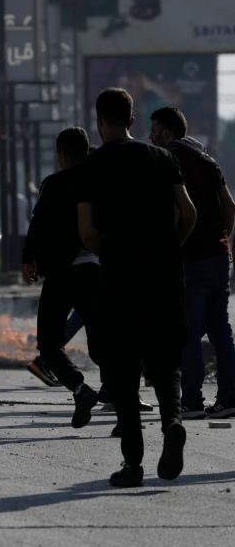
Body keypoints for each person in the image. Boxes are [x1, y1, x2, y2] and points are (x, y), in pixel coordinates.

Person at [76, 88, 196, 487]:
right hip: (164, 272)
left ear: (99, 120)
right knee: (165, 360)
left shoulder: (91, 166)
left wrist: (111, 251)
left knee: (122, 366)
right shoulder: (163, 157)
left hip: (120, 275)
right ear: (132, 121)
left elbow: (87, 231)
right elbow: (188, 213)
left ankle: (133, 464)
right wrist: (169, 245)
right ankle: (173, 422)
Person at [150, 106, 235, 419]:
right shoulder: (207, 160)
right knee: (221, 331)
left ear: (168, 132)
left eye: (154, 130)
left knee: (188, 331)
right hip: (218, 256)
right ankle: (228, 397)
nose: (150, 137)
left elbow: (178, 213)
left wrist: (172, 249)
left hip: (191, 259)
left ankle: (192, 401)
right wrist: (226, 242)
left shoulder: (168, 161)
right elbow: (230, 208)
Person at [22, 127, 106, 428]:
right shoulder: (102, 182)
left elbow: (37, 225)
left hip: (60, 272)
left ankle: (80, 388)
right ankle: (124, 405)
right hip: (94, 270)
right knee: (103, 343)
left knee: (48, 345)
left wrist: (27, 260)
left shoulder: (54, 183)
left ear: (60, 155)